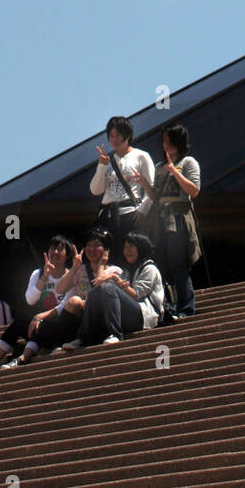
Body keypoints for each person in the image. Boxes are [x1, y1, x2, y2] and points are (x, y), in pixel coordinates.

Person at [0, 234, 73, 373]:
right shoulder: (38, 274)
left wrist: (39, 317)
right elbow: (30, 300)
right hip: (39, 323)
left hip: (59, 326)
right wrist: (44, 277)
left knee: (40, 327)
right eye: (52, 248)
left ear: (67, 255)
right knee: (19, 324)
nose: (55, 252)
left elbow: (64, 307)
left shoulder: (72, 276)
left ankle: (21, 359)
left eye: (60, 249)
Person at [135, 124, 201, 318]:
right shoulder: (158, 167)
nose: (165, 145)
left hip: (178, 217)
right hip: (161, 219)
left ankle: (186, 308)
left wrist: (175, 171)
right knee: (162, 263)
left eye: (169, 140)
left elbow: (194, 191)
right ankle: (169, 307)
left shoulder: (189, 162)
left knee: (178, 263)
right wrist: (145, 184)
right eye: (164, 141)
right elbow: (156, 197)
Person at [63, 231, 164, 349]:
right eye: (125, 247)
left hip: (145, 316)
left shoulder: (149, 269)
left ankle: (115, 334)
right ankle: (82, 338)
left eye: (131, 247)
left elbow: (136, 295)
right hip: (130, 316)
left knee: (108, 287)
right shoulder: (129, 270)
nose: (127, 251)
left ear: (141, 248)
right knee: (95, 291)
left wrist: (114, 278)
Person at [90, 117, 154, 256]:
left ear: (128, 135)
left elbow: (151, 188)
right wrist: (102, 165)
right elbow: (95, 190)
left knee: (129, 256)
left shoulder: (141, 156)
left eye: (118, 135)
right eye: (111, 136)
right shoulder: (107, 160)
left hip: (130, 214)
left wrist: (143, 210)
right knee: (108, 258)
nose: (114, 139)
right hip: (106, 216)